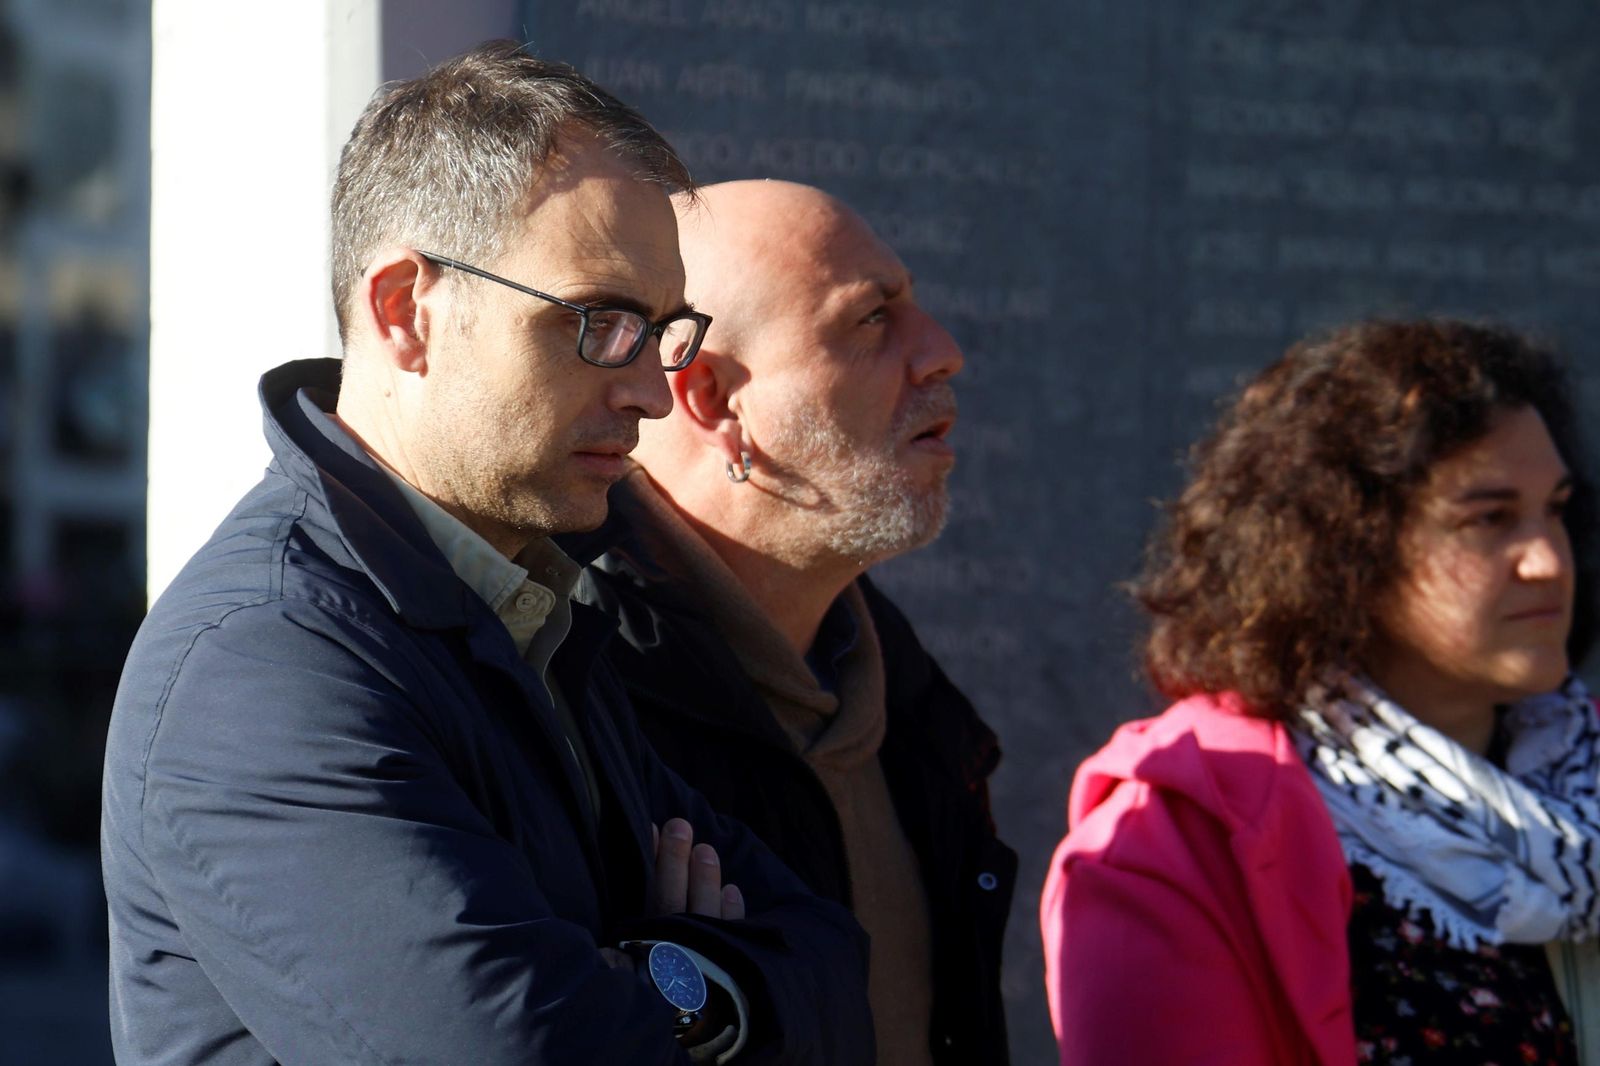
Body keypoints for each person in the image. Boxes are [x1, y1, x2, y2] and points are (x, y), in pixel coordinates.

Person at [101, 44, 871, 1066]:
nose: (649, 390)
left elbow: (831, 958)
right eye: (599, 322)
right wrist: (697, 969)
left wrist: (661, 981)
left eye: (660, 329)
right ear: (404, 311)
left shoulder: (537, 606)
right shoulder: (264, 666)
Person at [1041, 319, 1600, 1065]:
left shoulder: (1582, 770)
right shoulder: (1169, 848)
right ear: (1344, 548)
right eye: (1489, 519)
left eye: (1555, 510)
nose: (1547, 561)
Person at [566, 179, 1016, 1066]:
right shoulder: (568, 696)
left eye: (914, 307)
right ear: (712, 399)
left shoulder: (914, 709)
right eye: (870, 320)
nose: (942, 354)